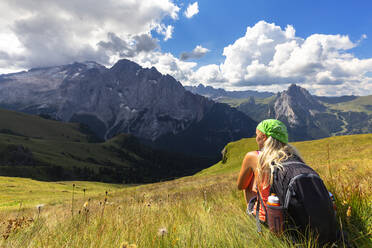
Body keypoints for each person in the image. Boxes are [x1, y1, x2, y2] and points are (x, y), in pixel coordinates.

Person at [237, 119, 303, 222]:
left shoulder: (253, 156)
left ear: (263, 137)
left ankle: (254, 217)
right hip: (297, 219)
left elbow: (240, 186)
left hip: (271, 221)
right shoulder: (295, 157)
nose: (256, 138)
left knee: (249, 185)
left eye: (257, 135)